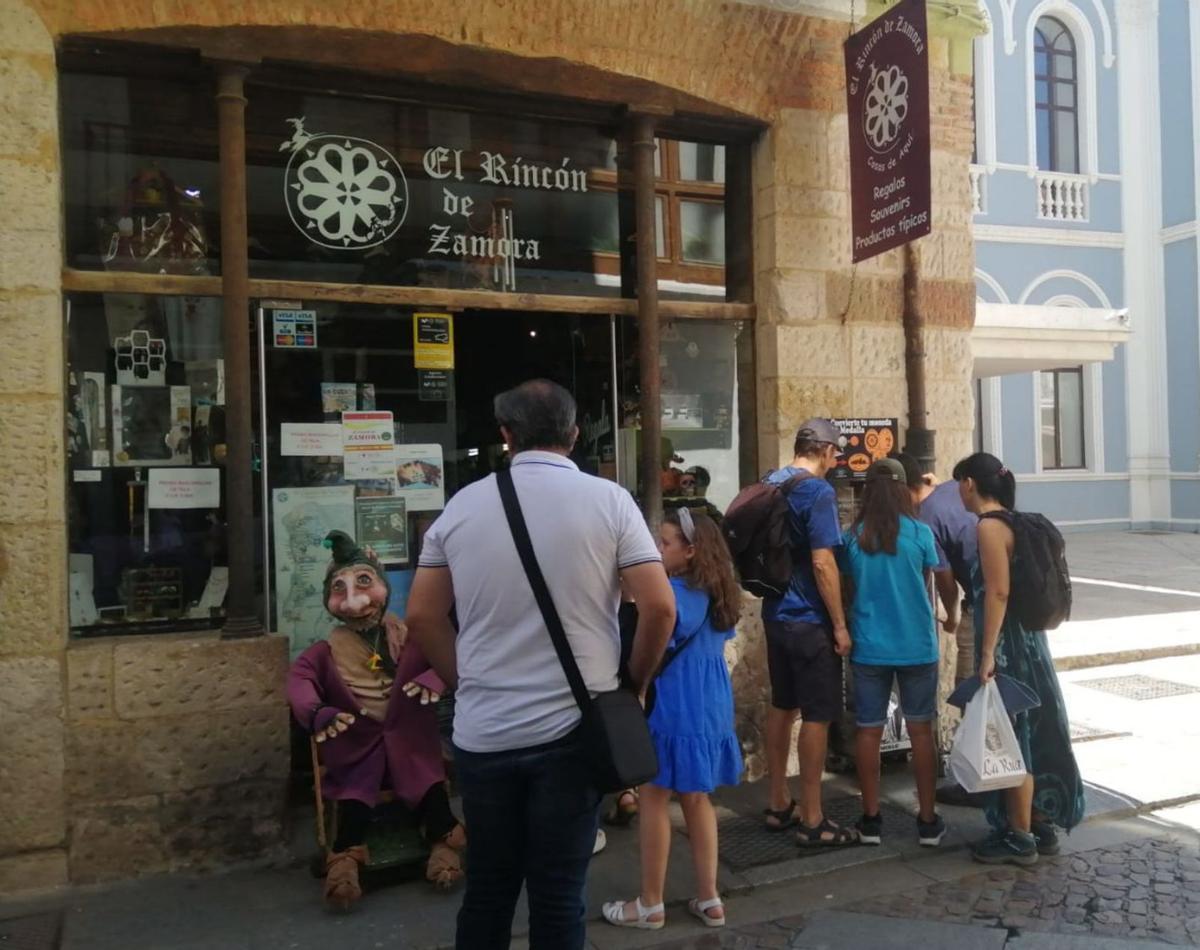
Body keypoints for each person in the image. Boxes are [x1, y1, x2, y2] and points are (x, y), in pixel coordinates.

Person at [405, 379, 676, 950]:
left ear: (505, 437)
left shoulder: (460, 508)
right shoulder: (610, 502)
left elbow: (424, 616)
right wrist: (635, 684)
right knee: (558, 894)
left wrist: (466, 682)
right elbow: (658, 605)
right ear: (575, 435)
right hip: (573, 733)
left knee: (489, 890)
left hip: (486, 734)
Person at [286, 531, 466, 910]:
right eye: (339, 588)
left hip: (411, 747)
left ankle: (441, 845)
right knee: (354, 801)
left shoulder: (408, 637)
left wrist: (436, 677)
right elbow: (299, 681)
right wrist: (318, 713)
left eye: (364, 582)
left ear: (383, 584)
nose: (353, 602)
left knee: (431, 791)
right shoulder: (326, 651)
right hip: (358, 752)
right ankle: (344, 859)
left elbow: (448, 658)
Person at [602, 508, 744, 931]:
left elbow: (651, 636)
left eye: (664, 543)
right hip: (711, 705)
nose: (657, 549)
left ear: (691, 550)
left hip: (673, 703)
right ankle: (710, 898)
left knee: (653, 797)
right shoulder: (722, 593)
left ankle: (650, 903)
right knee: (699, 799)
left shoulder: (671, 595)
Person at [953, 452, 1085, 865]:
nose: (958, 490)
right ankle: (1040, 823)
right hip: (1033, 643)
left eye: (959, 482)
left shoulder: (990, 528)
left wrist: (987, 652)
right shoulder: (1021, 523)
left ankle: (1019, 835)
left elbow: (997, 593)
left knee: (1012, 737)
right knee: (1038, 730)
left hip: (1008, 646)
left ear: (970, 484)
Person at [837, 458, 947, 847]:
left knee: (868, 732)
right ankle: (928, 820)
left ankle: (871, 820)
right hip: (916, 643)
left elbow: (848, 587)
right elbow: (930, 578)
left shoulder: (853, 538)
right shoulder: (919, 533)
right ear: (905, 490)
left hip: (869, 645)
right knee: (921, 731)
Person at [760, 419, 856, 847]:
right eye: (836, 453)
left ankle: (778, 801)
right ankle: (813, 817)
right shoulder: (818, 492)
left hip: (775, 613)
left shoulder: (771, 481)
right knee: (817, 713)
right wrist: (839, 623)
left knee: (783, 705)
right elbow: (822, 563)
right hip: (808, 619)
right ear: (824, 451)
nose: (836, 461)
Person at [891, 452, 978, 686]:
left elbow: (944, 579)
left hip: (982, 600)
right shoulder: (952, 487)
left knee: (969, 684)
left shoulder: (925, 519)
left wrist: (952, 617)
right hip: (1005, 590)